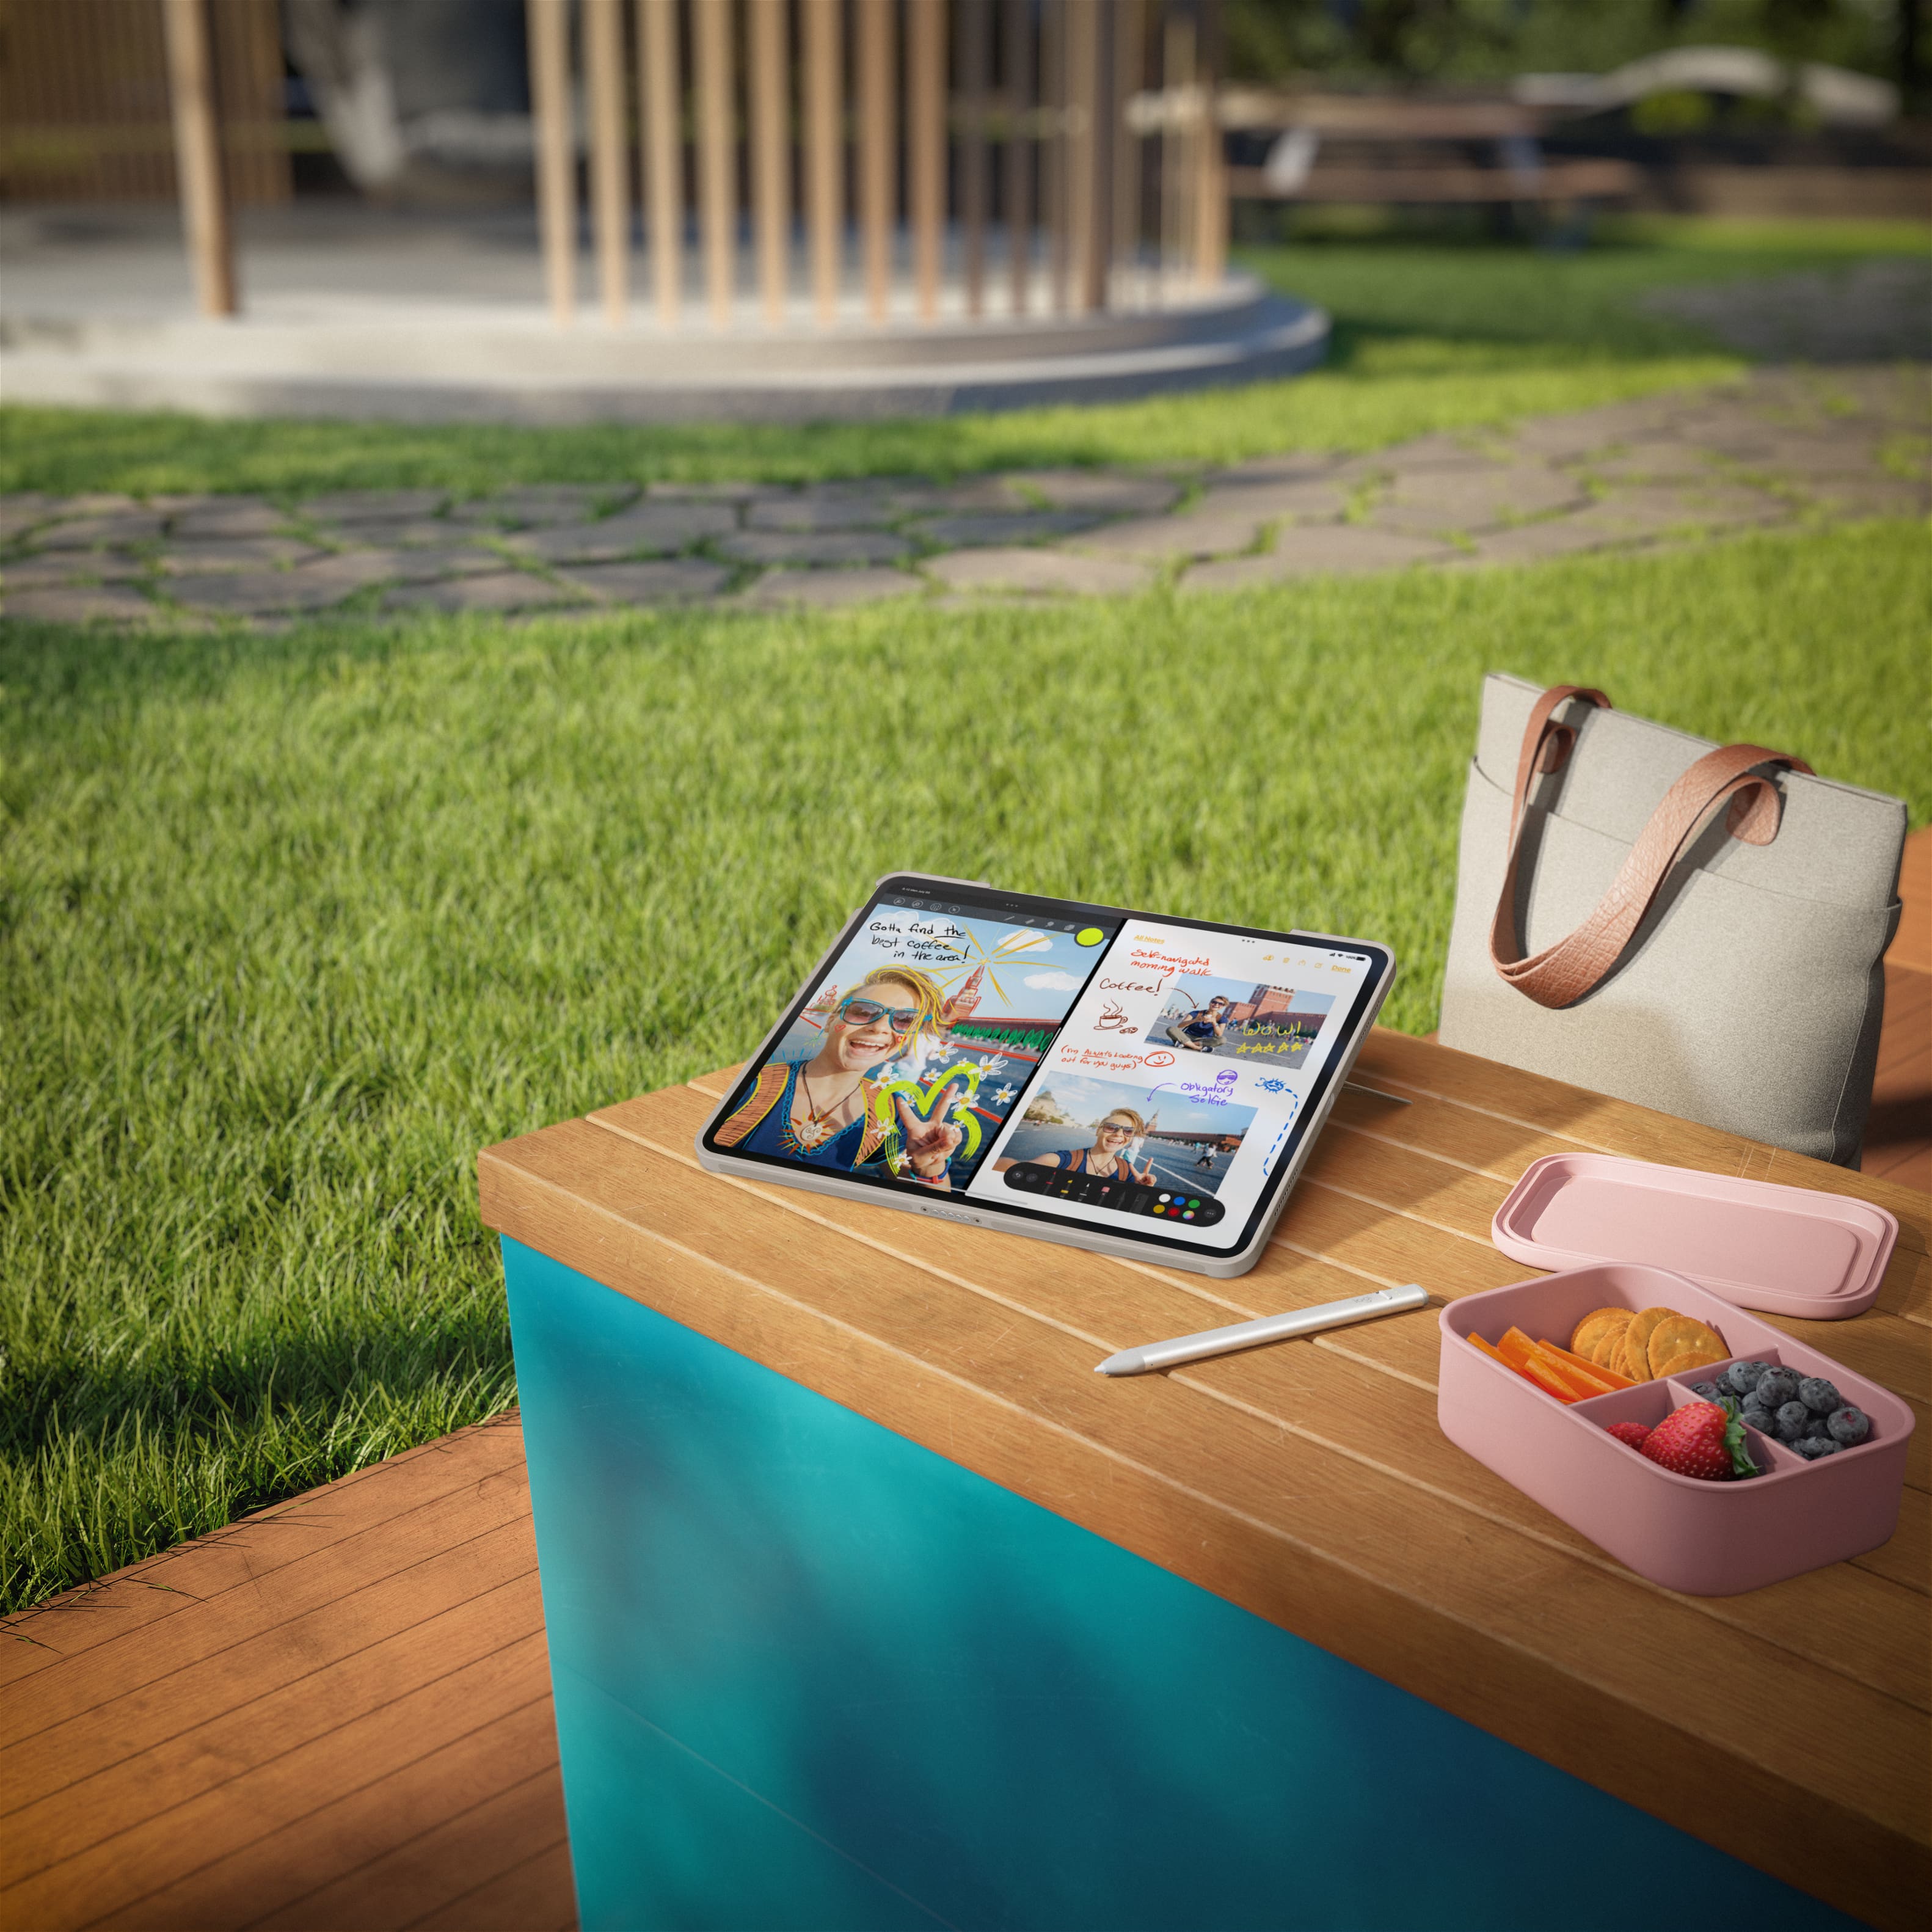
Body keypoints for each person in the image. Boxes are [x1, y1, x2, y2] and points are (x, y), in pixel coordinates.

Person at [714, 966, 964, 1188]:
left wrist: (929, 1165)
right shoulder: (751, 1084)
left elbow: (928, 1196)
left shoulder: (890, 1110)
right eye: (864, 1012)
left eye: (904, 1020)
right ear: (831, 1020)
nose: (879, 1027)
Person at [993, 1108, 1156, 1186]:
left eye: (1128, 1131)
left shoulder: (1127, 1172)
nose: (1119, 1134)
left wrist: (1141, 1191)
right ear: (1099, 1130)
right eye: (1111, 1127)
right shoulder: (1066, 1160)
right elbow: (1011, 1166)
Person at [1166, 994, 1231, 1053]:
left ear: (1223, 1007)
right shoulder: (1196, 1013)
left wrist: (1214, 1023)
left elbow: (1219, 1034)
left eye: (1220, 1004)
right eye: (1214, 1002)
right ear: (1210, 1003)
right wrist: (1195, 1020)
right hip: (1187, 1036)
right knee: (1171, 1029)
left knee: (1223, 1040)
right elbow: (1180, 1026)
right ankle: (1196, 1047)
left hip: (1204, 1040)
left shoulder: (1222, 1019)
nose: (1216, 1005)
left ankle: (1186, 1044)